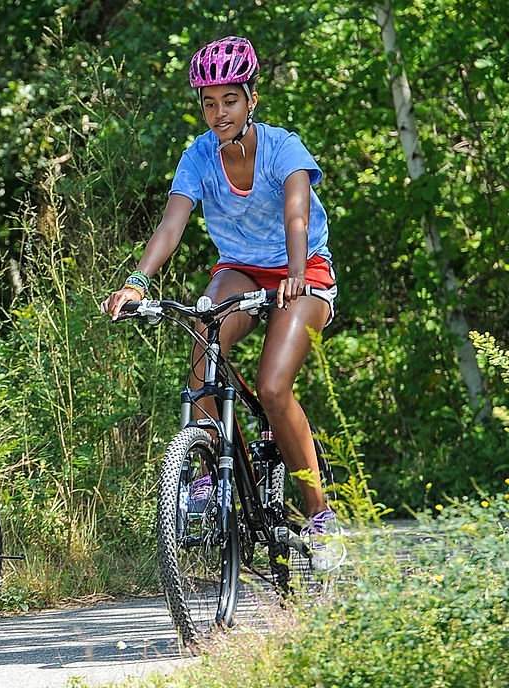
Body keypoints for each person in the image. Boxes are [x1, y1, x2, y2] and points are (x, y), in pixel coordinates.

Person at [101, 36, 341, 552]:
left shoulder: (284, 148)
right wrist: (136, 282)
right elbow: (171, 225)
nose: (218, 113)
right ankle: (209, 476)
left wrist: (296, 274)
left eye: (229, 100)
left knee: (273, 387)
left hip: (304, 270)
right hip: (241, 270)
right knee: (204, 355)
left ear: (250, 99)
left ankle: (320, 515)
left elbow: (297, 214)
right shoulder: (199, 156)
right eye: (209, 103)